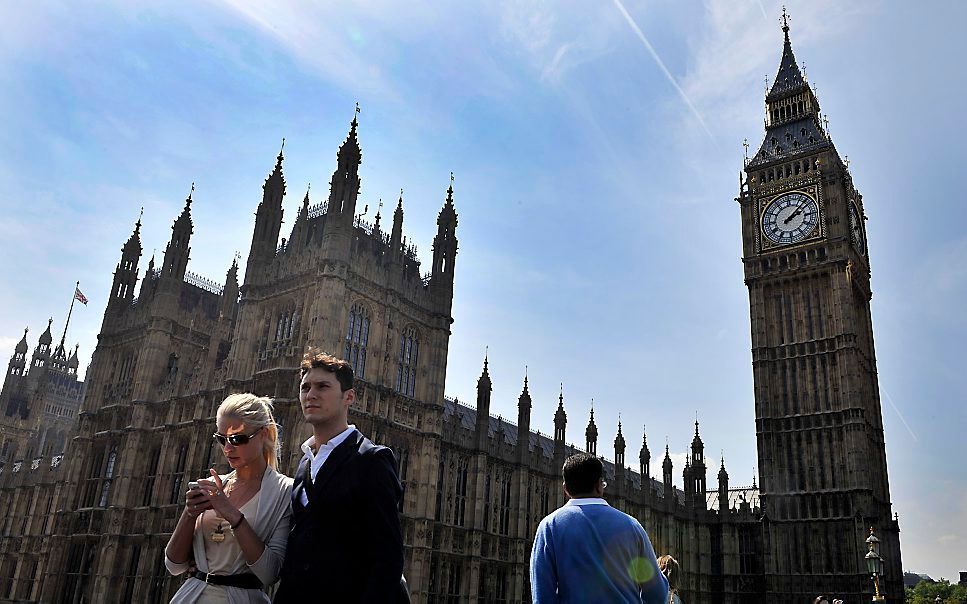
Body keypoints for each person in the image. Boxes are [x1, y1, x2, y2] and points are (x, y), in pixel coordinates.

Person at [274, 350, 406, 603]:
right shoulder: (304, 464)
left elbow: (388, 558)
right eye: (305, 387)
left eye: (323, 386)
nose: (311, 394)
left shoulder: (371, 460)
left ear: (349, 397)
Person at [164, 394, 293, 603]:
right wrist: (189, 514)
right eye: (221, 439)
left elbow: (270, 573)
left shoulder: (284, 491)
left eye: (237, 439)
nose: (227, 448)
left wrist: (231, 513)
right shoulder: (213, 486)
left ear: (264, 434)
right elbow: (174, 565)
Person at [530, 453, 669, 604]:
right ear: (599, 485)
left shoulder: (549, 526)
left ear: (566, 488)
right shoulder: (632, 526)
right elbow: (656, 594)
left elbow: (542, 596)